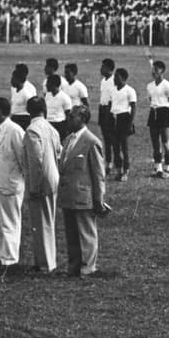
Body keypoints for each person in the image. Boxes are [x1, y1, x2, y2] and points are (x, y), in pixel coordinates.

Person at [58, 106, 107, 277]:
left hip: (83, 196)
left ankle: (87, 268)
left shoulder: (91, 142)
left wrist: (98, 199)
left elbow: (99, 174)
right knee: (71, 234)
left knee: (86, 234)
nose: (68, 120)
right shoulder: (68, 140)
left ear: (82, 119)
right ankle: (74, 266)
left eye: (72, 117)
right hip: (69, 194)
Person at [0, 97, 27, 267]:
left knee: (9, 220)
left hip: (9, 181)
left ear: (1, 112)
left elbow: (24, 160)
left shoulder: (15, 131)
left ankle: (10, 257)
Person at [24, 96, 62, 273]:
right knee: (47, 220)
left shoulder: (32, 130)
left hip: (41, 179)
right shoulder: (51, 128)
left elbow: (36, 160)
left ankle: (46, 262)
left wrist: (34, 186)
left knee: (41, 222)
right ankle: (45, 260)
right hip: (53, 176)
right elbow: (59, 151)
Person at [146, 59, 169, 178]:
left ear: (162, 71)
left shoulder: (167, 86)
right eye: (153, 70)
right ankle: (158, 168)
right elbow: (151, 100)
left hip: (164, 113)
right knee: (155, 143)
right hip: (153, 113)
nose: (153, 72)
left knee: (165, 142)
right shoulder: (149, 86)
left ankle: (167, 167)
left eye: (156, 70)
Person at [109, 67, 137, 181]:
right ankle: (119, 170)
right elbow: (111, 104)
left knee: (124, 148)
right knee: (115, 147)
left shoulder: (129, 90)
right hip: (114, 118)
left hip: (124, 119)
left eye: (117, 77)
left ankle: (126, 171)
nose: (114, 79)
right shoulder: (113, 90)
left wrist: (130, 123)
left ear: (123, 78)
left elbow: (133, 107)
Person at [97, 58, 117, 176]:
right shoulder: (103, 80)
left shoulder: (114, 80)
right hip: (103, 109)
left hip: (110, 110)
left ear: (109, 69)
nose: (101, 69)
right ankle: (108, 162)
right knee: (105, 138)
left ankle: (116, 162)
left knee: (113, 137)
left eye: (103, 67)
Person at [42, 72, 72, 142]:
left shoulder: (65, 98)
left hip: (59, 126)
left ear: (54, 85)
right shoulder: (47, 95)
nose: (46, 85)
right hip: (48, 124)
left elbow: (68, 116)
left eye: (48, 83)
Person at [8, 65, 36, 131]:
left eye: (13, 79)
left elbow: (33, 107)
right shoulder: (14, 89)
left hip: (23, 120)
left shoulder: (27, 92)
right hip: (14, 117)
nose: (11, 81)